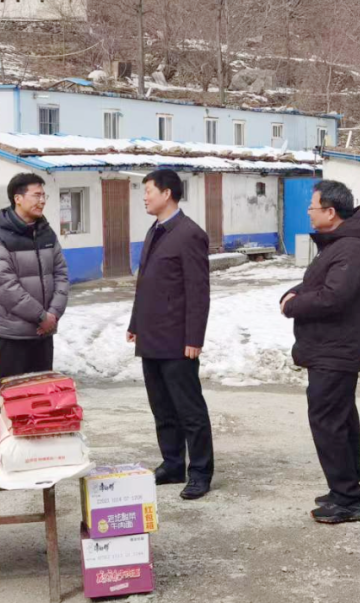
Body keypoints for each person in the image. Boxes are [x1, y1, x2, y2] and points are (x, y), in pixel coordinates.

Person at [280, 180, 360, 525]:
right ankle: (346, 488)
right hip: (329, 348)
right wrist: (294, 293)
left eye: (312, 207)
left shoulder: (350, 248)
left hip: (335, 350)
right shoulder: (338, 245)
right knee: (341, 419)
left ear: (331, 212)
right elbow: (318, 284)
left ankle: (348, 499)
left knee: (329, 422)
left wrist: (294, 305)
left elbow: (334, 297)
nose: (309, 213)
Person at [128, 169, 213, 500]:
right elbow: (146, 283)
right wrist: (135, 323)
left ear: (167, 194)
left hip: (178, 340)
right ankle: (173, 463)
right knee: (161, 407)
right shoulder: (156, 229)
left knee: (189, 409)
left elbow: (198, 291)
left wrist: (194, 338)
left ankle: (200, 472)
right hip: (151, 336)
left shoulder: (189, 234)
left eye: (149, 191)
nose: (145, 197)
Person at [0, 173, 69, 387]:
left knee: (41, 395)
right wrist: (41, 316)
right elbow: (6, 288)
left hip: (43, 335)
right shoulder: (0, 239)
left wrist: (53, 314)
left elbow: (61, 274)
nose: (42, 201)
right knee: (10, 395)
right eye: (36, 195)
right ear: (18, 198)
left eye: (44, 195)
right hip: (13, 337)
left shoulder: (47, 234)